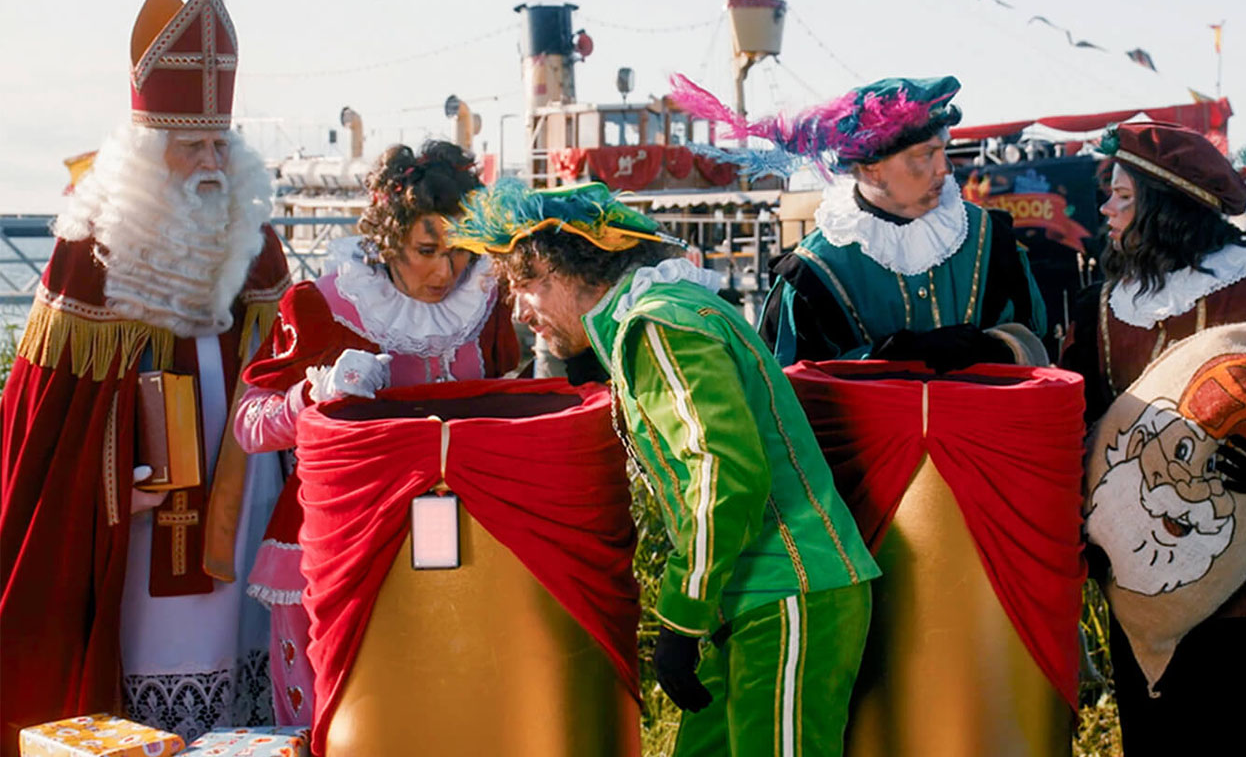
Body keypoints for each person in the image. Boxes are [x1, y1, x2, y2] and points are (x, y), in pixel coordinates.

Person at [449, 179, 881, 756]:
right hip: (753, 596)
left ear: (578, 272)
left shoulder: (658, 326)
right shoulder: (669, 313)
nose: (522, 312)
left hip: (787, 591)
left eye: (527, 286)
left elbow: (724, 472)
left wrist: (681, 616)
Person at [0, 0, 291, 751]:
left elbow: (287, 365)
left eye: (217, 144)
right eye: (188, 145)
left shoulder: (255, 242)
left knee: (242, 678)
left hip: (246, 497)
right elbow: (46, 419)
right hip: (138, 519)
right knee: (149, 684)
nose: (208, 161)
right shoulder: (90, 250)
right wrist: (108, 482)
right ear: (143, 152)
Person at [233, 140, 518, 726]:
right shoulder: (322, 307)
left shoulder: (486, 302)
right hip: (346, 543)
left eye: (461, 250)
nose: (446, 270)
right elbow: (249, 424)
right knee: (352, 719)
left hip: (462, 544)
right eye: (426, 249)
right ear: (390, 237)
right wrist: (315, 394)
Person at [1061, 121, 1246, 756]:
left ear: (1167, 208)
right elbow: (1078, 426)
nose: (1106, 208)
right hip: (1141, 585)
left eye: (1122, 196)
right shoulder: (1101, 308)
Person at [669, 73, 1048, 371]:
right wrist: (880, 361)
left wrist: (995, 346)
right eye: (925, 155)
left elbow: (1040, 345)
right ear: (872, 170)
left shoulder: (989, 239)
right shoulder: (812, 272)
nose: (944, 168)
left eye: (943, 150)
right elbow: (788, 392)